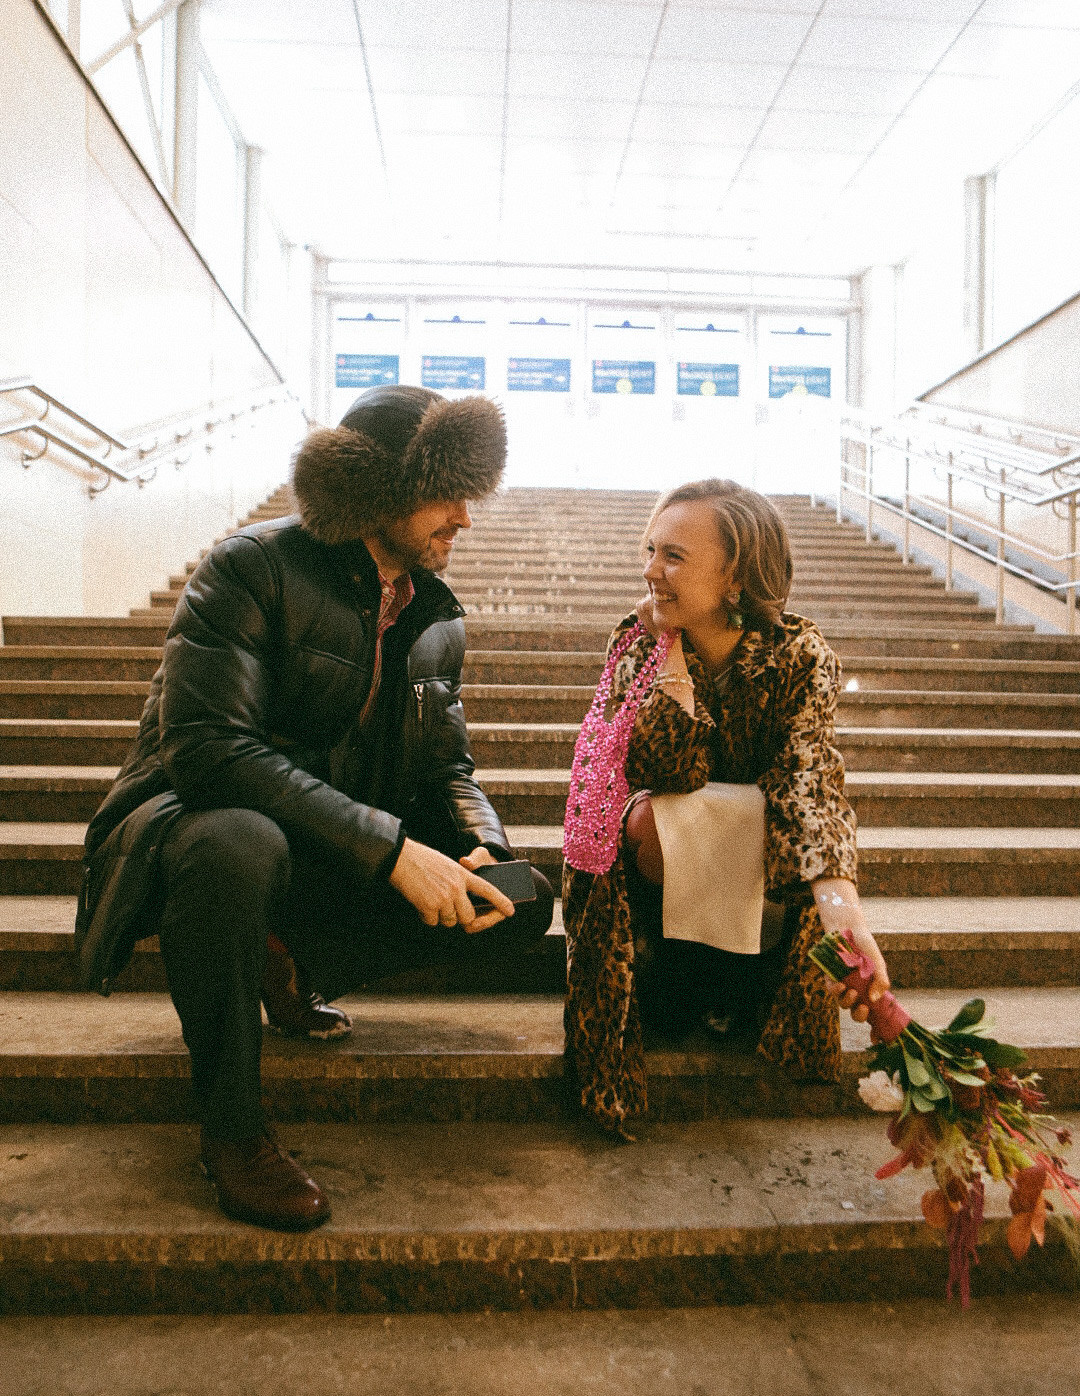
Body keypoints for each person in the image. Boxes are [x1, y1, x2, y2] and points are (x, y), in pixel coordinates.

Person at [76, 385, 554, 1229]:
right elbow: (211, 753)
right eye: (447, 493)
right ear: (376, 490)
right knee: (241, 844)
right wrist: (393, 850)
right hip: (186, 832)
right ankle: (232, 1131)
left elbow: (449, 765)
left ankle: (287, 954)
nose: (465, 518)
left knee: (519, 899)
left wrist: (482, 843)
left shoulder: (436, 618)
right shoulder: (252, 567)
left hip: (328, 848)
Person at [562, 478, 889, 1137]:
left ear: (735, 574)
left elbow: (808, 782)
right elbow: (666, 772)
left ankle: (748, 994)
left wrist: (842, 914)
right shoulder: (636, 644)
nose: (651, 569)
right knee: (652, 817)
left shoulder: (800, 656)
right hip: (658, 909)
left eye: (674, 556)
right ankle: (671, 990)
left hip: (763, 901)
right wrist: (672, 660)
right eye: (650, 549)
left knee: (767, 814)